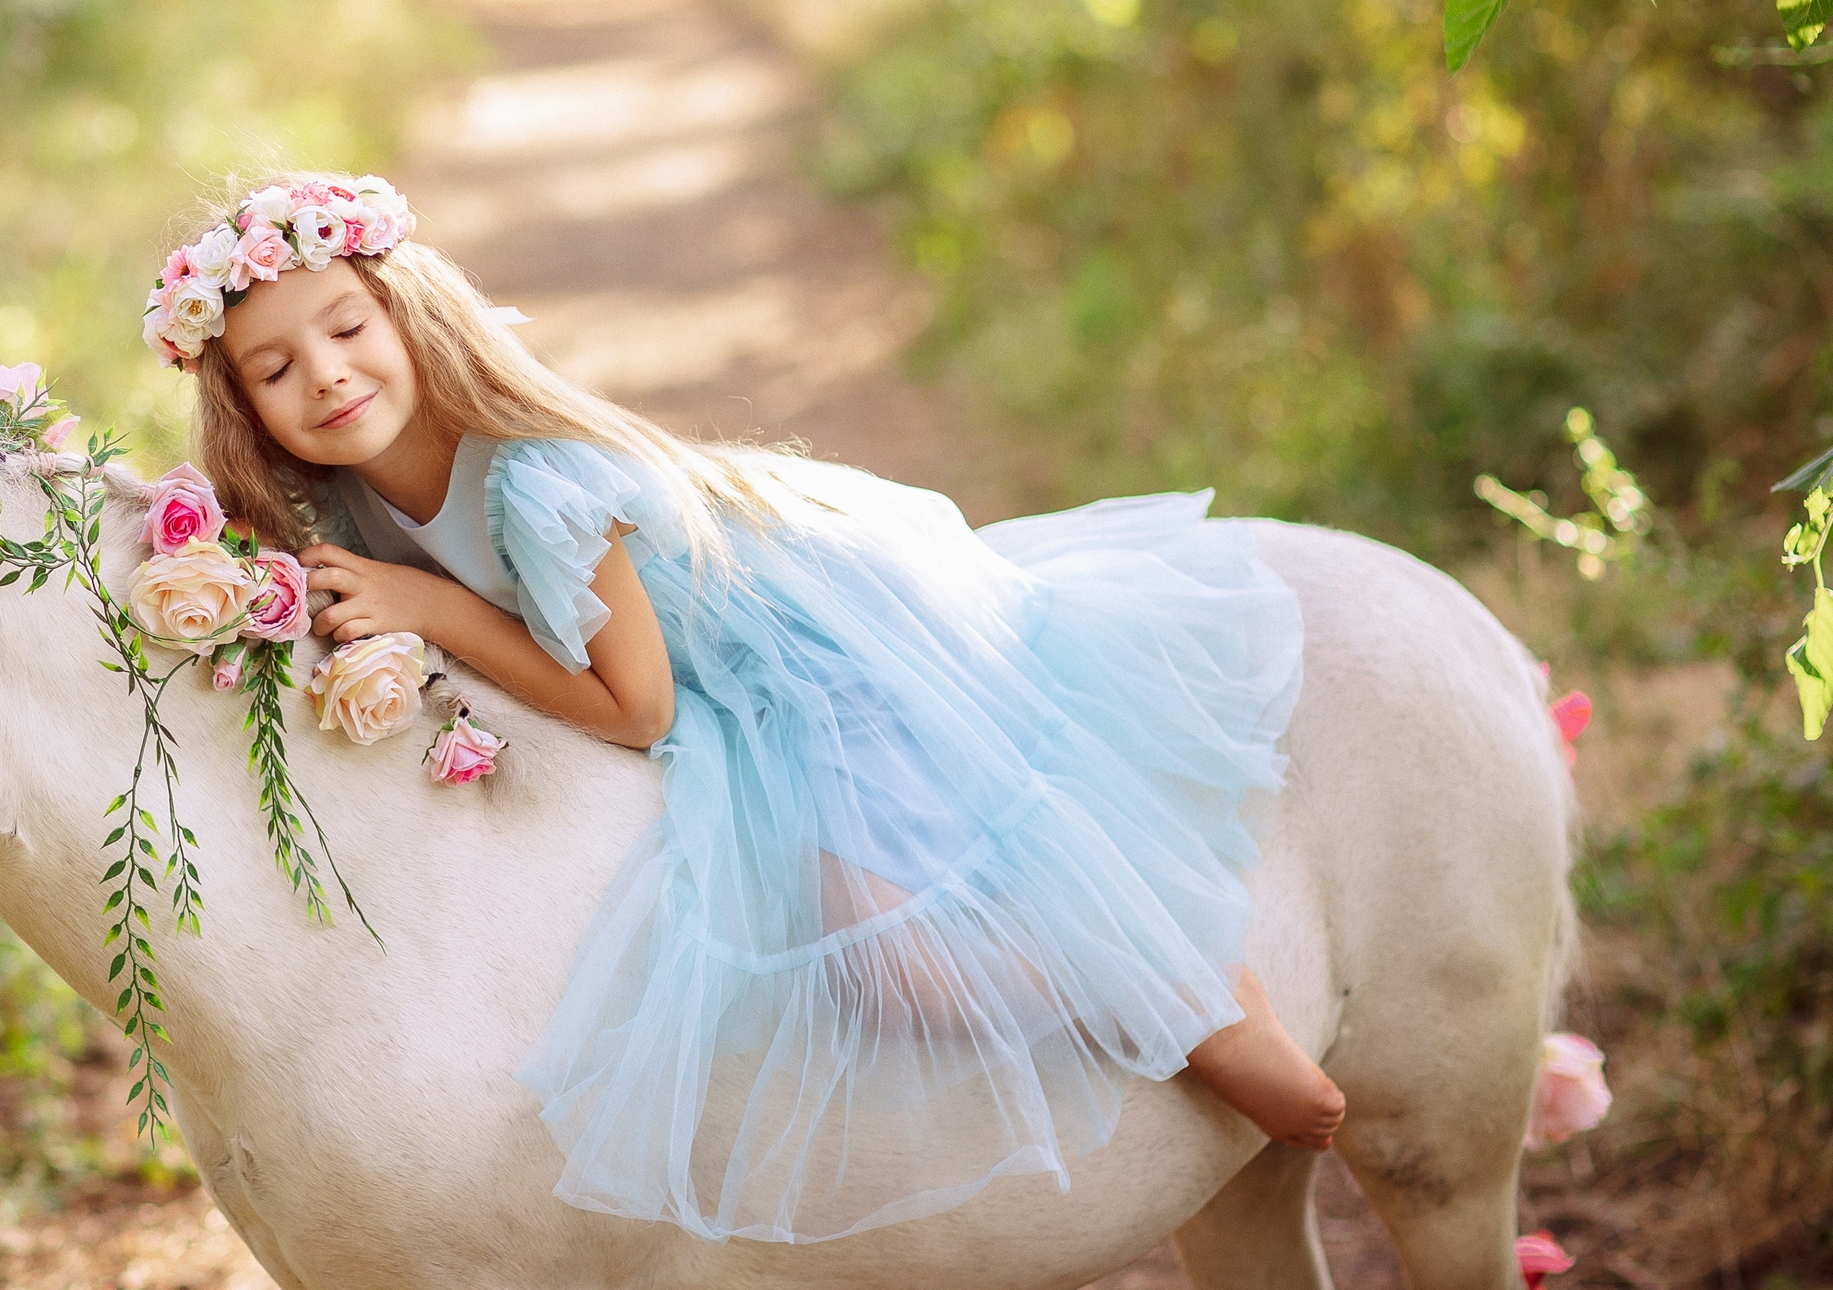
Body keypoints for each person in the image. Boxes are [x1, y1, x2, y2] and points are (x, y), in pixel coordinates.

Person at [143, 172, 1347, 1244]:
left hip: (801, 665)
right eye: (276, 368)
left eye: (347, 328)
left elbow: (638, 710)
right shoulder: (347, 509)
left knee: (901, 967)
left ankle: (1182, 986)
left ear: (410, 316)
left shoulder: (538, 483)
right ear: (244, 405)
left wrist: (434, 611)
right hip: (707, 677)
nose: (328, 376)